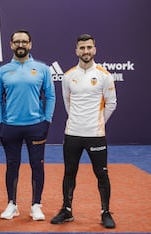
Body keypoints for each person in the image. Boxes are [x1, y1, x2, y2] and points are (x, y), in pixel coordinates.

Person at [50, 34, 117, 228]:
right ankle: (67, 210)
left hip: (96, 135)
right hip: (72, 134)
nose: (86, 51)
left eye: (89, 47)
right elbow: (67, 102)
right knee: (69, 173)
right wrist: (78, 122)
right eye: (82, 48)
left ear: (94, 49)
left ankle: (105, 212)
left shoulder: (104, 75)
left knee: (101, 174)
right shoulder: (69, 75)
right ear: (76, 50)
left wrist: (97, 123)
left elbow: (111, 104)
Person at [0, 30, 56, 220]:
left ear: (30, 44)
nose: (21, 45)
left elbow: (50, 96)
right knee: (12, 166)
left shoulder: (42, 69)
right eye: (17, 42)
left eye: (24, 42)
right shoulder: (1, 71)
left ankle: (36, 205)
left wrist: (47, 120)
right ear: (11, 45)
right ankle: (12, 204)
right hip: (10, 126)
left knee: (37, 165)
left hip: (36, 126)